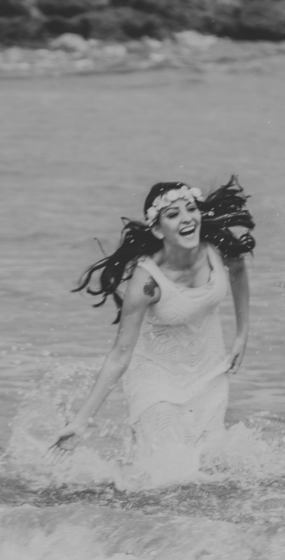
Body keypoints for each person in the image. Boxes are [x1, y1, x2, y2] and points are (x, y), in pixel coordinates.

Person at [50, 178, 254, 475]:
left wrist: (242, 335)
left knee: (208, 467)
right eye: (173, 215)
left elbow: (237, 271)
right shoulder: (146, 282)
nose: (186, 218)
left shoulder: (216, 248)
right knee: (166, 474)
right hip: (154, 377)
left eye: (190, 209)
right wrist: (80, 422)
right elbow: (119, 356)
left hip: (208, 371)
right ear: (158, 229)